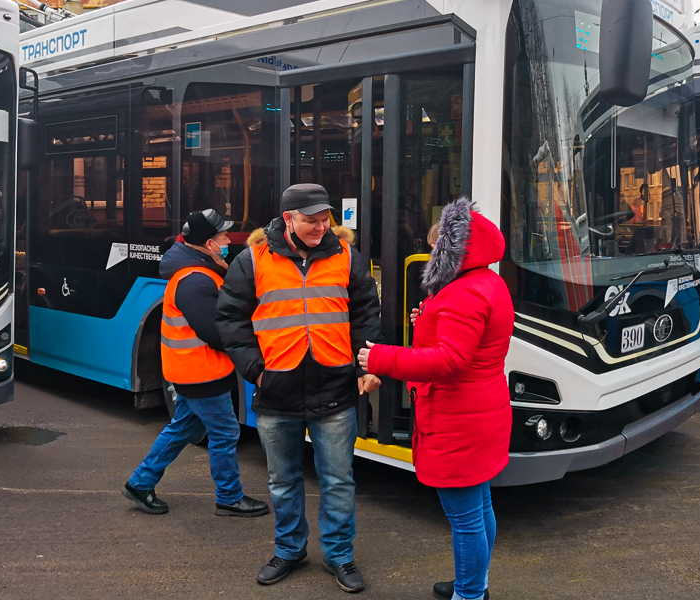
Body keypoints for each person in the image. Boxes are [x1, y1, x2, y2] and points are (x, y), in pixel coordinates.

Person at [216, 183, 382, 593]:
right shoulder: (253, 258)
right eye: (311, 220)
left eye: (325, 219)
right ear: (288, 219)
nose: (321, 227)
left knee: (338, 480)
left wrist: (365, 361)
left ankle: (339, 555)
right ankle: (290, 549)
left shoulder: (345, 254)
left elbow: (365, 310)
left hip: (335, 386)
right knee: (282, 480)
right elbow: (230, 318)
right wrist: (256, 370)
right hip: (277, 389)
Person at [359, 198, 513, 600]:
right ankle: (475, 583)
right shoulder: (487, 282)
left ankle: (469, 594)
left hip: (457, 418)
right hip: (482, 411)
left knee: (465, 519)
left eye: (435, 247)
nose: (430, 255)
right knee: (480, 506)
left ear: (454, 251)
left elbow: (451, 361)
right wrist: (427, 320)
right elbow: (465, 340)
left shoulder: (463, 294)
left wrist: (381, 357)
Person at [123, 209, 269, 519]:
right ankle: (229, 497)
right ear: (208, 243)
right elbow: (216, 333)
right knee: (226, 433)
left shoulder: (198, 272)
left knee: (181, 428)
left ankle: (140, 482)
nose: (229, 241)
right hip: (202, 374)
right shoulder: (195, 280)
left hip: (191, 370)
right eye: (223, 237)